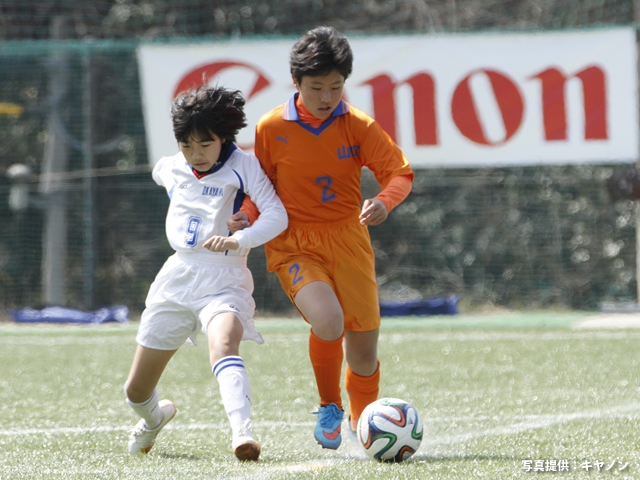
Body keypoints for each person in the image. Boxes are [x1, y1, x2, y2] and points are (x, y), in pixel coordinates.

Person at [228, 26, 414, 449]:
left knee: (363, 350)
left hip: (349, 239)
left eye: (336, 86)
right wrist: (245, 215)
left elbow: (399, 173)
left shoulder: (358, 125)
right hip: (294, 242)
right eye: (317, 88)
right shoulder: (272, 127)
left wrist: (385, 201)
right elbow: (261, 188)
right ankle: (330, 405)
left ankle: (363, 424)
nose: (327, 97)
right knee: (328, 320)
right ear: (296, 83)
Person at [123, 85, 288, 461]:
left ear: (224, 137)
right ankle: (153, 420)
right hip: (177, 277)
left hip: (224, 276)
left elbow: (278, 215)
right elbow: (162, 174)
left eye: (204, 145)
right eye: (186, 145)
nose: (195, 155)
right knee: (135, 391)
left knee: (224, 344)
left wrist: (239, 237)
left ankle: (243, 435)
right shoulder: (172, 166)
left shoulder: (243, 165)